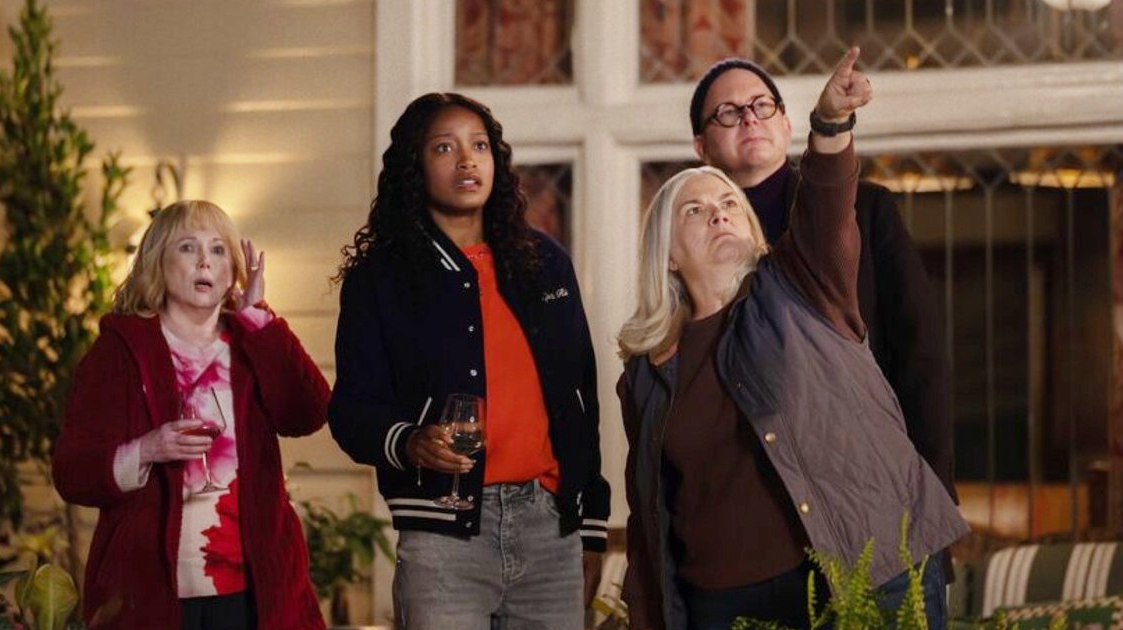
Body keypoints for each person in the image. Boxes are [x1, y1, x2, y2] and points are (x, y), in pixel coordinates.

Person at [617, 48, 969, 630]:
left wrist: (829, 123)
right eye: (695, 211)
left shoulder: (798, 283)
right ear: (667, 254)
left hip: (859, 558)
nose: (718, 215)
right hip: (722, 603)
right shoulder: (647, 370)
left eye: (728, 205)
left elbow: (827, 205)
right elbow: (650, 508)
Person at [328, 92, 610, 630]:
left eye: (479, 146)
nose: (466, 160)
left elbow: (582, 399)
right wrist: (409, 441)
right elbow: (352, 411)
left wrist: (591, 526)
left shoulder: (545, 263)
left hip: (552, 530)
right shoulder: (379, 280)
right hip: (442, 538)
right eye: (444, 147)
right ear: (414, 166)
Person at [687, 57, 958, 533]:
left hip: (874, 486)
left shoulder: (866, 209)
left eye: (761, 105)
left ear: (786, 123)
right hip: (757, 508)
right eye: (727, 112)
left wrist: (932, 494)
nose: (748, 118)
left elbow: (920, 355)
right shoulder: (693, 244)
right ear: (701, 147)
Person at [53, 200, 330, 630]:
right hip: (151, 594)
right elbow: (72, 472)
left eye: (218, 249)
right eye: (188, 247)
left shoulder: (252, 342)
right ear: (157, 261)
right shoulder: (118, 350)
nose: (205, 261)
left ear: (233, 269)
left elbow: (307, 413)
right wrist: (147, 449)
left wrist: (258, 317)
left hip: (254, 590)